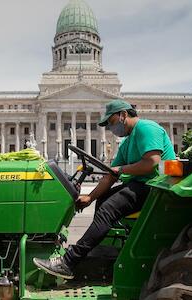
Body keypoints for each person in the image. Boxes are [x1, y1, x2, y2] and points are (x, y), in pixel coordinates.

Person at [33, 99, 176, 279]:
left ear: (123, 115)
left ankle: (67, 263)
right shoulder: (126, 142)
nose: (110, 128)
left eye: (111, 122)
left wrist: (121, 169)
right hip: (142, 184)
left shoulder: (146, 128)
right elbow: (110, 175)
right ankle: (103, 250)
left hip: (158, 185)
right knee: (103, 200)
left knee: (109, 209)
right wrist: (90, 198)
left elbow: (151, 163)